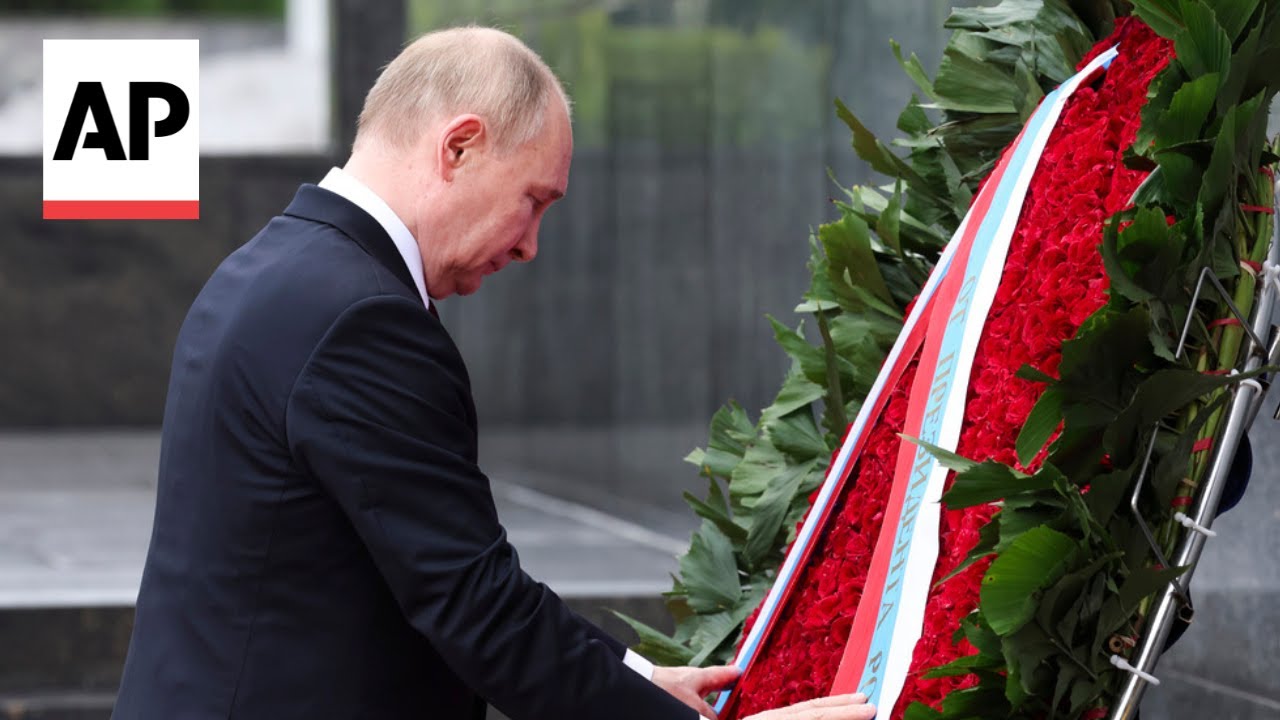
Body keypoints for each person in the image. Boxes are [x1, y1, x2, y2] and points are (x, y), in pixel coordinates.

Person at [111, 26, 877, 720]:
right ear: (459, 147)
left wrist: (632, 677)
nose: (530, 246)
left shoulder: (275, 266)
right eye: (533, 201)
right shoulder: (359, 318)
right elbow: (474, 604)